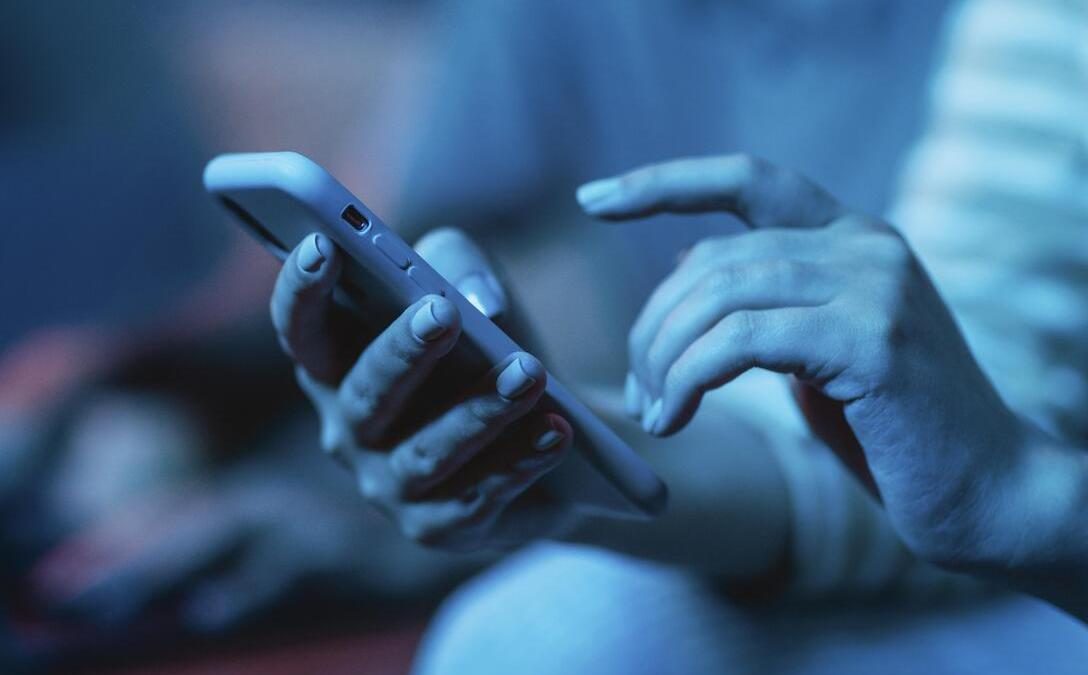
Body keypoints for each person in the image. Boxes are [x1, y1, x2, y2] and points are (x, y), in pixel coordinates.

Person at [269, 0, 1088, 672]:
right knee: (547, 637)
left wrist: (1025, 492)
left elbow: (978, 448)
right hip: (800, 484)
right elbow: (396, 205)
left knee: (547, 637)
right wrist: (565, 449)